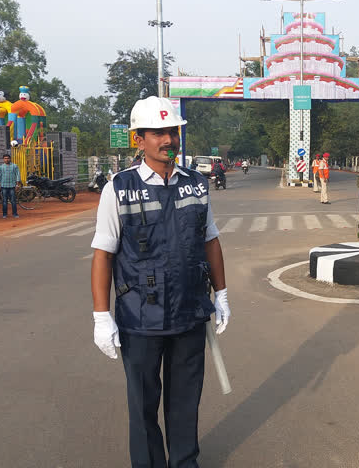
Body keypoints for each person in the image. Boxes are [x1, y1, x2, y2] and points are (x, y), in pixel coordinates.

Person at [90, 96, 231, 468]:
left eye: (173, 131)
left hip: (188, 313)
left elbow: (210, 240)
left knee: (186, 404)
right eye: (158, 133)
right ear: (139, 139)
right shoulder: (118, 189)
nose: (168, 139)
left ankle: (185, 462)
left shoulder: (197, 184)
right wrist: (101, 317)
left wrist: (223, 293)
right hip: (141, 318)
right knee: (143, 406)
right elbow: (103, 255)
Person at [0, 153, 21, 218]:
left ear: (10, 159)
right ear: (3, 159)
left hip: (12, 186)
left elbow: (18, 175)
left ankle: (15, 214)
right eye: (5, 158)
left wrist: (17, 185)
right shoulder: (1, 167)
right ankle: (4, 214)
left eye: (8, 158)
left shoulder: (14, 166)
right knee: (4, 201)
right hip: (4, 186)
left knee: (13, 201)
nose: (6, 160)